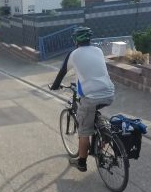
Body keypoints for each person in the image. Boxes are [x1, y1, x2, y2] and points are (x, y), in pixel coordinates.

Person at [49, 26, 115, 172]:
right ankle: (103, 134)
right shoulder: (98, 50)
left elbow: (62, 73)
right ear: (89, 38)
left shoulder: (73, 54)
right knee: (93, 112)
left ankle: (81, 163)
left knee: (84, 131)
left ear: (75, 40)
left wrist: (54, 86)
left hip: (90, 96)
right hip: (109, 93)